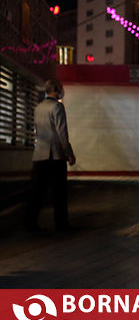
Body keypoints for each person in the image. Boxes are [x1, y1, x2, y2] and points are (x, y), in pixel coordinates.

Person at [25, 79, 76, 232]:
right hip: (55, 156)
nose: (61, 89)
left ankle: (30, 223)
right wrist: (69, 153)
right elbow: (62, 133)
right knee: (59, 192)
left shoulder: (38, 108)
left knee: (37, 192)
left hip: (39, 155)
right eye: (60, 87)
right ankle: (61, 224)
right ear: (55, 89)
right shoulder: (57, 107)